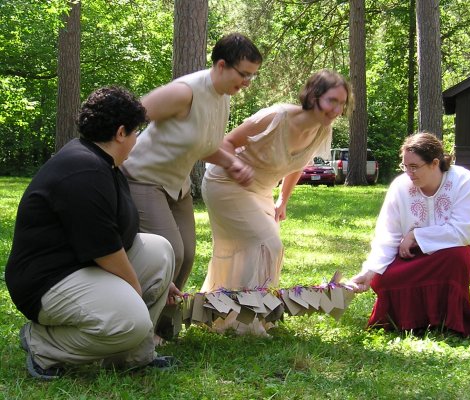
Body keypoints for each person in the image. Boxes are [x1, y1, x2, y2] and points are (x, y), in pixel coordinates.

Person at [5, 86, 179, 380]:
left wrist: (163, 282)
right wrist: (136, 289)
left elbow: (119, 232)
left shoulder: (102, 162)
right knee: (131, 319)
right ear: (121, 133)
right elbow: (104, 249)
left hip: (78, 265)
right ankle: (43, 345)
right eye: (136, 132)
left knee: (159, 250)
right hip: (47, 281)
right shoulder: (84, 170)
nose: (137, 140)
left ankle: (132, 357)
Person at [200, 70, 353, 334]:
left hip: (261, 190)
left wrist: (282, 199)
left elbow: (299, 163)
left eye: (342, 103)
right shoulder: (275, 117)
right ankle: (244, 321)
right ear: (313, 96)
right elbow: (226, 144)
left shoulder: (322, 130)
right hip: (226, 182)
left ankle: (232, 314)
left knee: (266, 249)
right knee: (265, 244)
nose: (337, 109)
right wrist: (237, 167)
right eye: (332, 101)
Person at [121, 32, 262, 296]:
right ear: (221, 65)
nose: (247, 82)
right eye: (244, 74)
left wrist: (231, 163)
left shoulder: (223, 97)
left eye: (252, 76)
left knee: (186, 255)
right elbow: (127, 116)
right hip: (143, 178)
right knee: (170, 252)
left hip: (178, 184)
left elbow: (204, 146)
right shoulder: (184, 92)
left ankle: (166, 327)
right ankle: (140, 324)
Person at [348, 132, 470, 337]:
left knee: (457, 258)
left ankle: (448, 322)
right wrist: (370, 272)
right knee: (384, 279)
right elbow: (387, 235)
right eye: (405, 167)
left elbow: (462, 232)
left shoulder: (461, 179)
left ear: (434, 163)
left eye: (414, 167)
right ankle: (410, 323)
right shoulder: (400, 186)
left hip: (450, 255)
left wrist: (416, 235)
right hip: (412, 257)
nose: (409, 173)